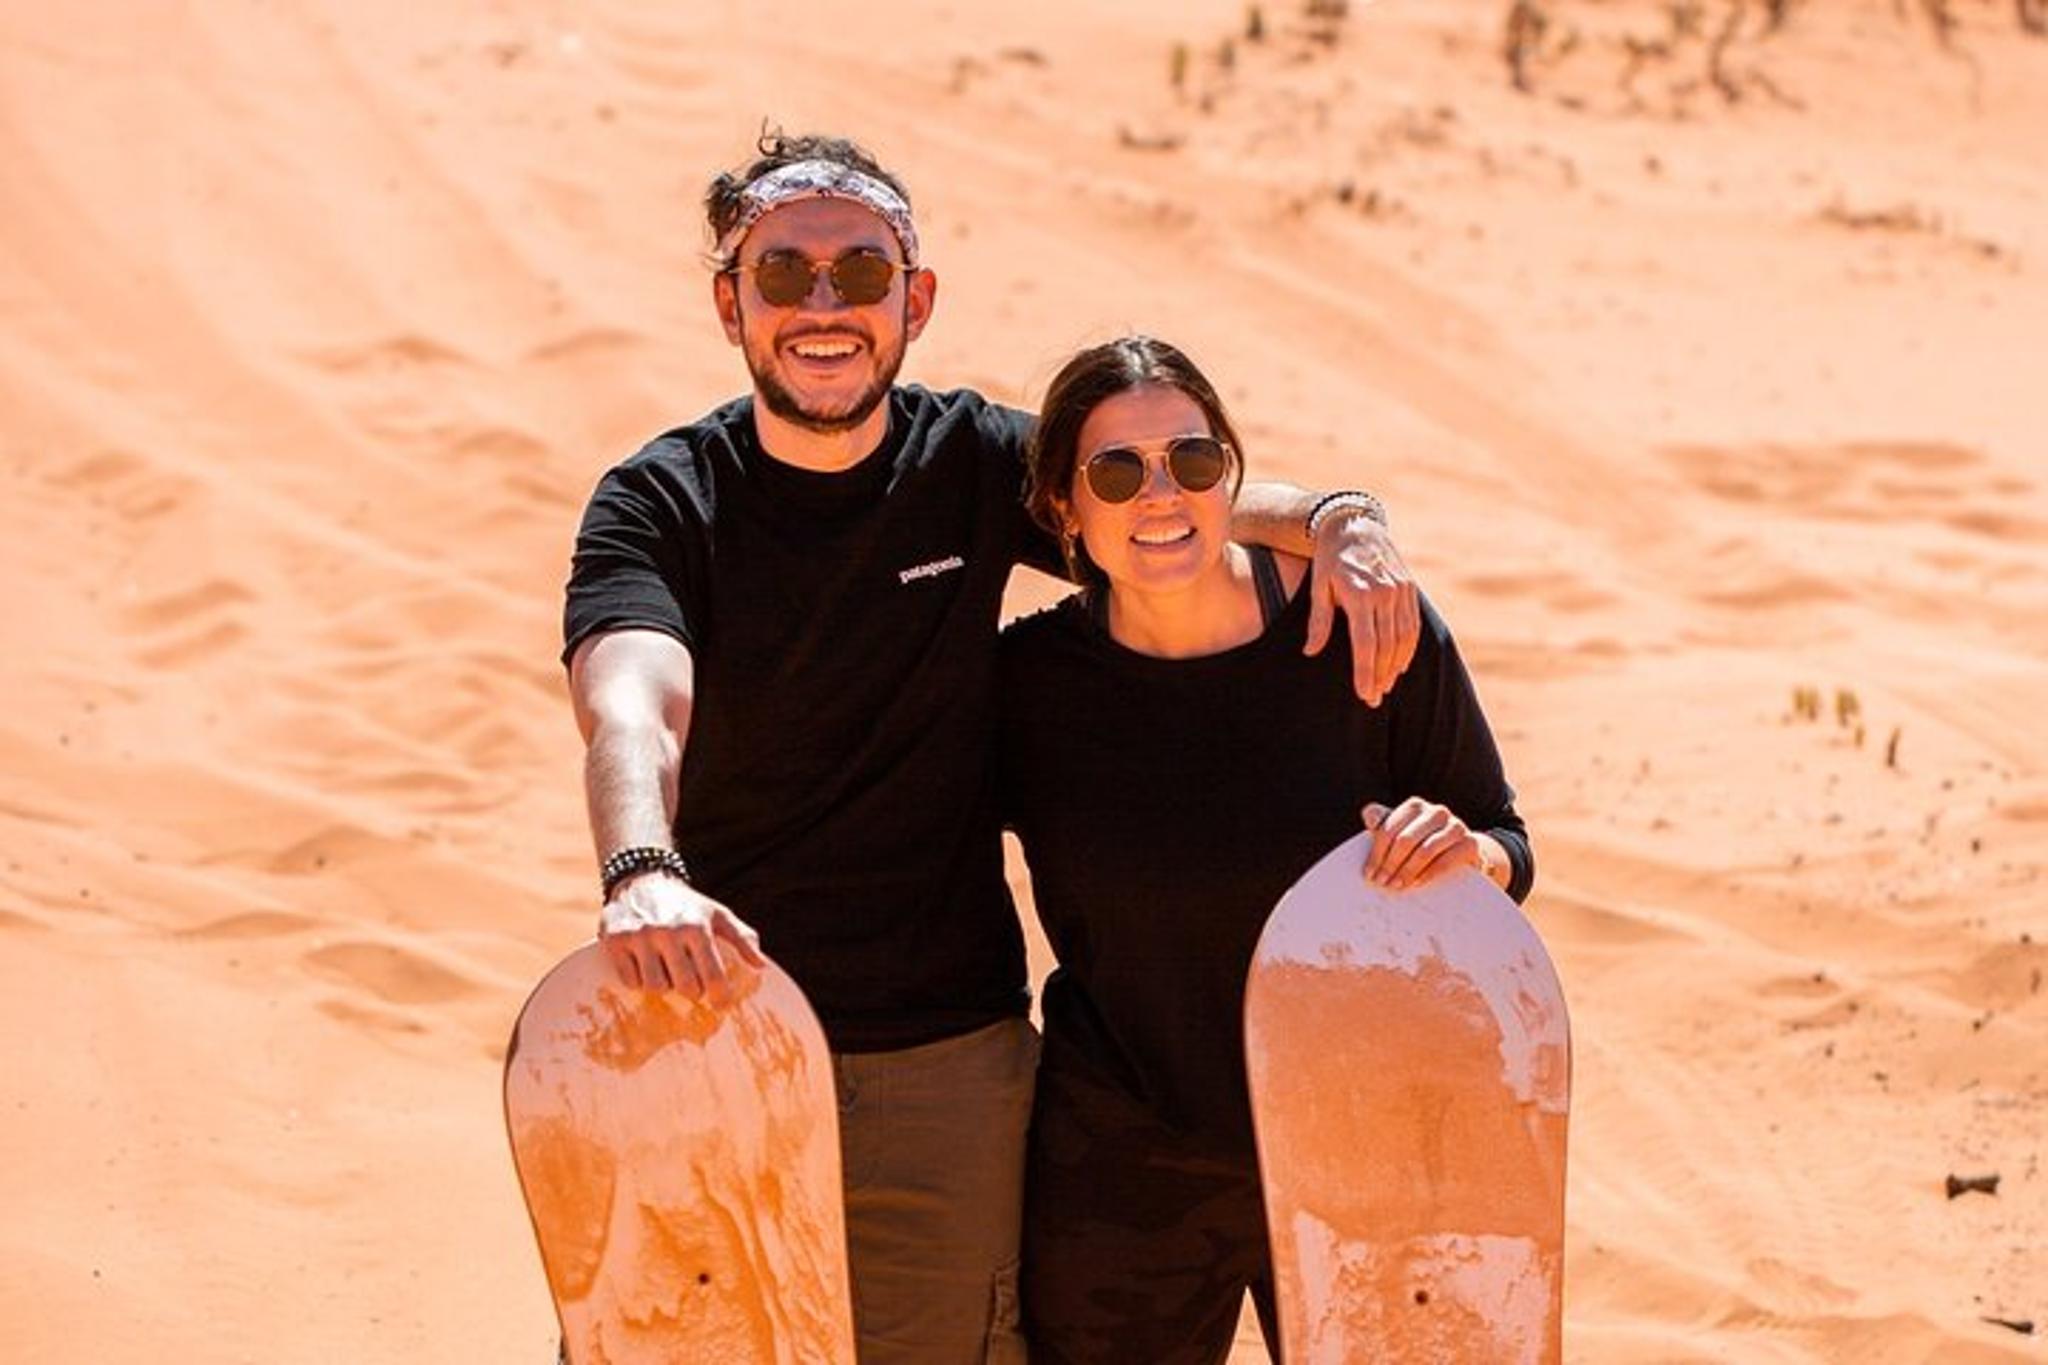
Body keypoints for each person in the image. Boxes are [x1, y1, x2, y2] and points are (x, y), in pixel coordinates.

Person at [559, 131, 1424, 1364]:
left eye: (859, 276)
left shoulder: (964, 458)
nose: (821, 307)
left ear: (913, 300)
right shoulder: (658, 502)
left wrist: (1340, 516)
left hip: (944, 1064)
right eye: (782, 273)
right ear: (727, 301)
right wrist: (639, 865)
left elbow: (1147, 494)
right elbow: (633, 699)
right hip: (712, 1035)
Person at [997, 335, 1535, 1365]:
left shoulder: (1362, 628)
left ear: (1229, 479)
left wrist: (1471, 856)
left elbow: (1503, 842)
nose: (1161, 495)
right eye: (1117, 472)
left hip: (1365, 1141)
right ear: (1064, 509)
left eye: (1191, 463)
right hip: (1125, 1158)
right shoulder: (1024, 688)